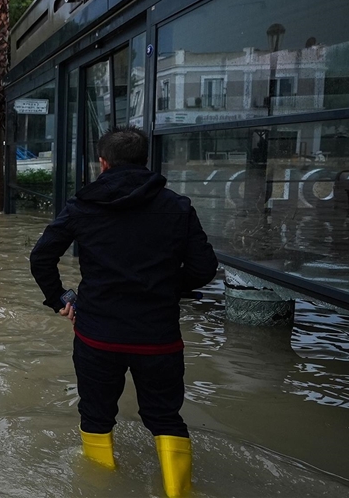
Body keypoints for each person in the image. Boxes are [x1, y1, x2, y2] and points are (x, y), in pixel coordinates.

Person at [29, 127, 217, 498]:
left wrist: (61, 298)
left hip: (97, 335)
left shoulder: (83, 205)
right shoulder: (177, 206)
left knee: (96, 415)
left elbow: (41, 257)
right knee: (165, 417)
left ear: (103, 163)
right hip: (159, 338)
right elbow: (204, 267)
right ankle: (180, 492)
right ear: (145, 160)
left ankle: (99, 488)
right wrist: (167, 288)